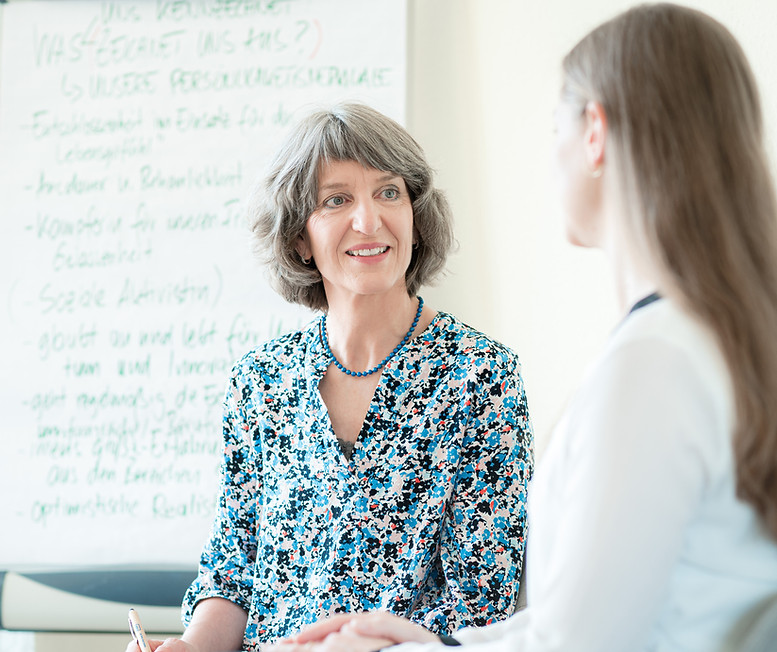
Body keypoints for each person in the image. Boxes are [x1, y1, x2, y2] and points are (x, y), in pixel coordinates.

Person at [271, 4, 777, 651]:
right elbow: (578, 623)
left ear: (593, 131)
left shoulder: (653, 365)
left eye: (553, 128)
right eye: (335, 200)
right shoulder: (717, 341)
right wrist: (432, 647)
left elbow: (577, 645)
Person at [126, 103, 534, 652]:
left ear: (415, 213)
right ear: (300, 238)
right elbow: (233, 571)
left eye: (389, 192)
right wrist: (191, 648)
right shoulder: (260, 382)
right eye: (337, 200)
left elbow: (481, 603)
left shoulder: (481, 375)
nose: (369, 221)